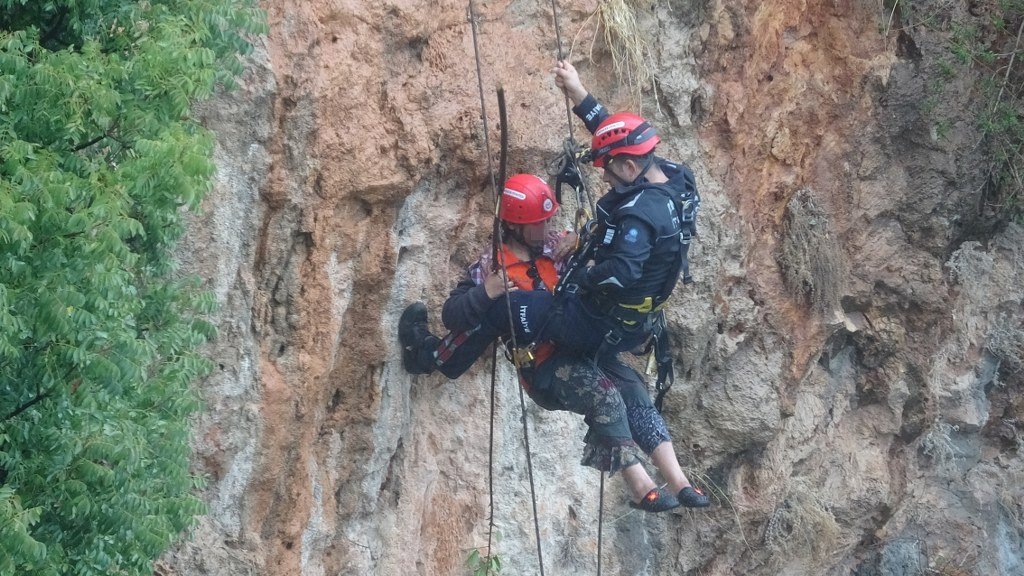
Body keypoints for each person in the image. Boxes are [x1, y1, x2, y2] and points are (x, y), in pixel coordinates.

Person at [400, 173, 707, 510]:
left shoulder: (556, 247)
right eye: (538, 222)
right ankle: (642, 487)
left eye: (548, 219)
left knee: (633, 389)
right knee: (603, 396)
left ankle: (681, 483)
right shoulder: (492, 265)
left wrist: (581, 240)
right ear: (515, 226)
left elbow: (606, 248)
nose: (547, 226)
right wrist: (486, 292)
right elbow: (455, 316)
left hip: (584, 346)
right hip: (545, 368)